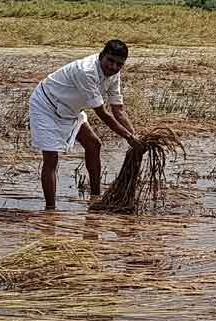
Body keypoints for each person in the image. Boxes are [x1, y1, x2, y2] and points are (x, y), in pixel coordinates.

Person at [29, 39, 140, 210]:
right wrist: (128, 137)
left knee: (94, 144)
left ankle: (95, 197)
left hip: (71, 109)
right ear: (101, 56)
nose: (113, 67)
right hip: (46, 105)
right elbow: (103, 113)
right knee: (51, 158)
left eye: (119, 64)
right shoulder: (86, 71)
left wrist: (135, 136)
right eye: (110, 61)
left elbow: (118, 109)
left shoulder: (114, 74)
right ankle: (50, 210)